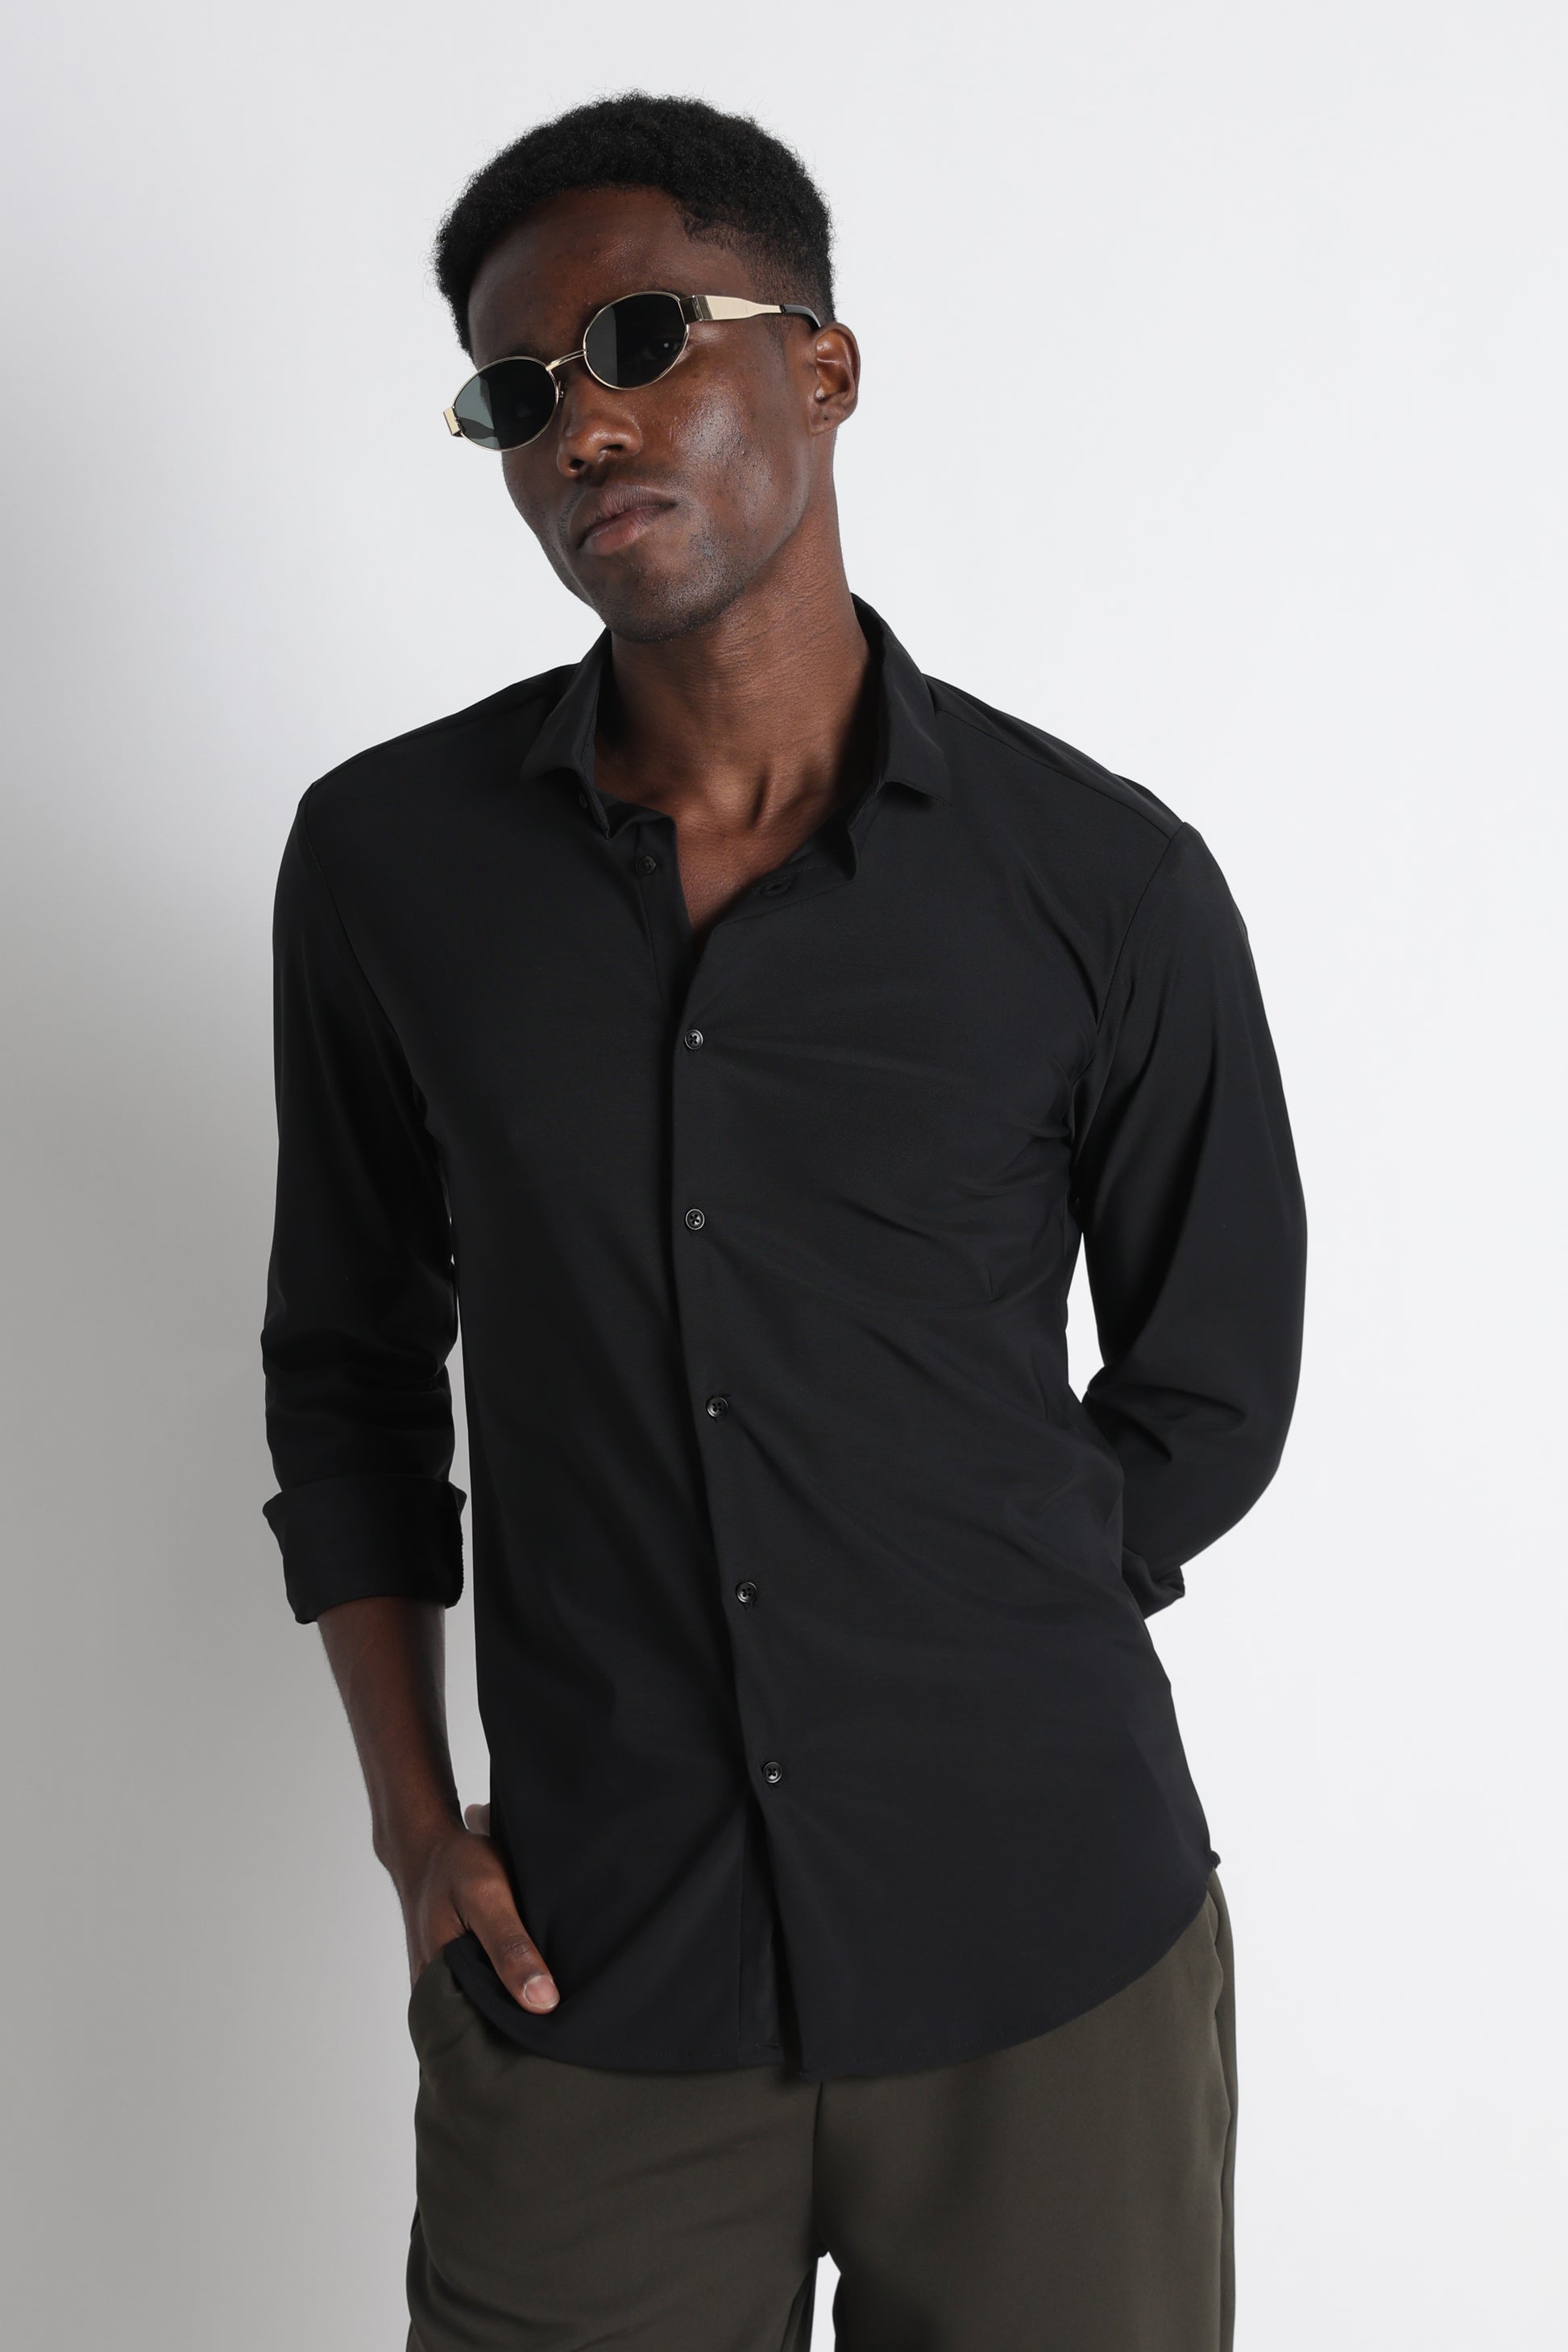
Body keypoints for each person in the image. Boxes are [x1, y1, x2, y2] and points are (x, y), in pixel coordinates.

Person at [260, 90, 1306, 2352]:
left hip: (1049, 1964)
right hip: (596, 1978)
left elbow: (1212, 1380)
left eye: (645, 338)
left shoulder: (1100, 880)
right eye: (519, 393)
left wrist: (968, 1614)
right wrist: (413, 1824)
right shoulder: (387, 865)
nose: (582, 425)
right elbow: (344, 1369)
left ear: (823, 367)